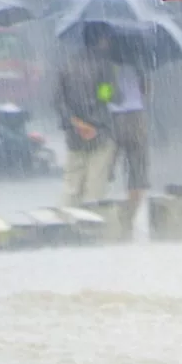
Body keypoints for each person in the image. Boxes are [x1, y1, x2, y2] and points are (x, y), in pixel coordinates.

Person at [55, 23, 118, 207]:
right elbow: (106, 97)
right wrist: (92, 125)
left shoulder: (67, 65)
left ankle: (67, 225)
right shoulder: (105, 66)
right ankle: (91, 225)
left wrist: (76, 123)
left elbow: (57, 101)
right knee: (95, 186)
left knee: (71, 186)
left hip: (74, 135)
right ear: (101, 40)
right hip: (99, 134)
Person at [107, 61, 151, 238]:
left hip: (111, 118)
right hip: (136, 118)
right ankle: (127, 219)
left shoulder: (105, 62)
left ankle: (106, 217)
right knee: (137, 173)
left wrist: (110, 93)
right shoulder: (140, 61)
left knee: (103, 169)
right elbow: (146, 91)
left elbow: (102, 94)